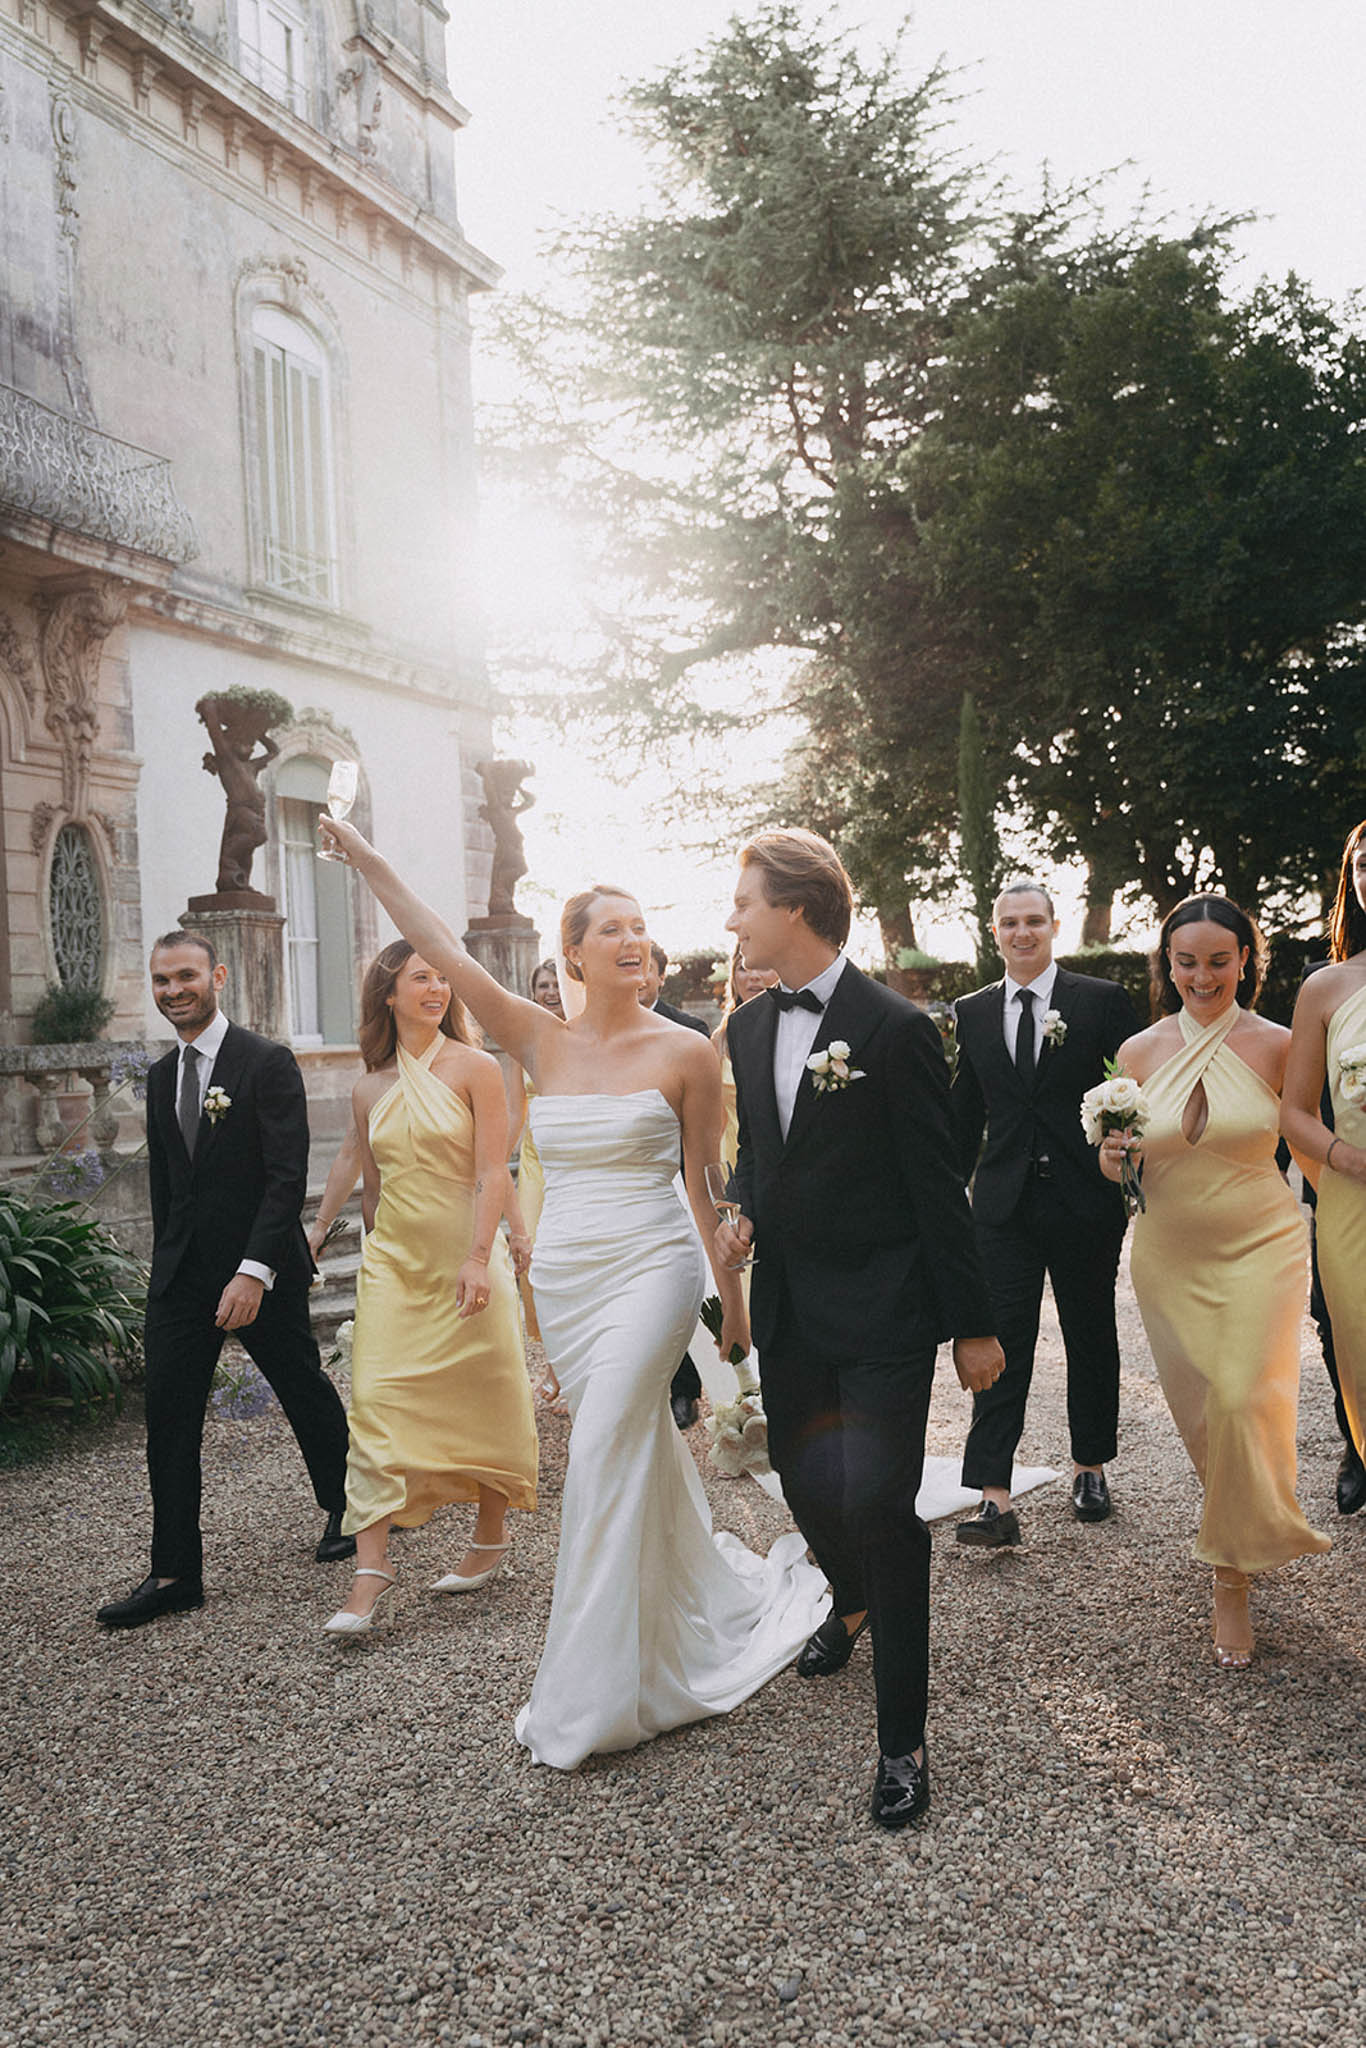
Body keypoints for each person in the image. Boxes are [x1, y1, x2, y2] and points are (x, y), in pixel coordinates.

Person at [317, 814, 827, 1767]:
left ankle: (588, 1691)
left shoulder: (687, 1054)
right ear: (574, 953)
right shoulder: (535, 1038)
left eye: (642, 927)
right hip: (571, 1279)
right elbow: (436, 946)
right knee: (628, 1449)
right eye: (612, 929)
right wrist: (372, 860)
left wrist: (736, 1308)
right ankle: (688, 1611)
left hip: (652, 1269)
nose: (635, 941)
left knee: (594, 1449)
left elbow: (706, 1190)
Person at [717, 829, 1005, 1830]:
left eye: (744, 901)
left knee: (882, 1503)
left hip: (884, 1305)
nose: (732, 919)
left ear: (795, 905)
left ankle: (903, 1741)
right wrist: (742, 1204)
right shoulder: (748, 1030)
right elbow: (759, 1149)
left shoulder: (894, 1029)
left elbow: (939, 1187)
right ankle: (848, 1597)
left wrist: (973, 1326)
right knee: (806, 1486)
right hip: (793, 1305)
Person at [97, 934, 353, 1629]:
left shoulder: (265, 1062)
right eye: (160, 980)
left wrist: (254, 1272)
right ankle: (175, 1571)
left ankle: (350, 1508)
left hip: (259, 1268)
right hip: (182, 1280)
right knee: (169, 1418)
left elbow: (284, 1178)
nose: (173, 989)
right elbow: (167, 1189)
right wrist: (166, 1273)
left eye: (185, 976)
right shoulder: (158, 1077)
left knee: (301, 1387)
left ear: (217, 976)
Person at [1101, 894, 1329, 1669]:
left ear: (1245, 962)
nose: (1203, 975)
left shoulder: (1279, 1044)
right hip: (1168, 1251)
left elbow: (1306, 1142)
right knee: (1205, 1417)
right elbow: (1127, 1163)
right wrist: (1112, 1158)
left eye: (1219, 960)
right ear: (1168, 965)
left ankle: (1230, 1579)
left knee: (1241, 1396)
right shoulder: (1135, 1053)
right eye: (1187, 961)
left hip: (1262, 1244)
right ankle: (1236, 1518)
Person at [322, 945, 538, 1634]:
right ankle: (370, 1571)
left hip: (466, 1255)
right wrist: (324, 1235)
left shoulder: (477, 1068)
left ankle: (490, 1535)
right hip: (394, 1265)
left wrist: (486, 1255)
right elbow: (372, 1184)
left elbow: (492, 1174)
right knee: (376, 1401)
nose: (438, 987)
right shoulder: (367, 1088)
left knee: (485, 1390)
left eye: (444, 977)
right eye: (422, 977)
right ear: (388, 993)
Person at [950, 882, 1138, 1545]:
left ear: (1054, 927)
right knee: (1000, 1340)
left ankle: (1090, 1466)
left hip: (1086, 1200)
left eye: (1034, 921)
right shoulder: (971, 1011)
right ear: (993, 931)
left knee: (1090, 1332)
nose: (1022, 932)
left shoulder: (1101, 1001)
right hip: (1000, 1205)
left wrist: (1124, 1157)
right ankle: (994, 1496)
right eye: (1010, 923)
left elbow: (1129, 1093)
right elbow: (964, 1115)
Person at [1283, 820, 1366, 1512]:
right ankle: (1359, 1446)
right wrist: (1345, 1158)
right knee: (1351, 1334)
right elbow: (1296, 1112)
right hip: (1352, 1195)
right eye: (1364, 864)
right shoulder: (1326, 987)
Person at [639, 939, 713, 1429]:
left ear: (661, 976)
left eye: (649, 968)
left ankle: (684, 1389)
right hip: (624, 1191)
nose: (639, 975)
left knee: (684, 1287)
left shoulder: (689, 1032)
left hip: (678, 1182)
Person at [712, 948, 780, 1169]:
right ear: (733, 978)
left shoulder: (791, 1032)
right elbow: (712, 1120)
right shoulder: (720, 1039)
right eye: (743, 968)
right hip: (731, 1157)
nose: (753, 976)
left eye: (764, 967)